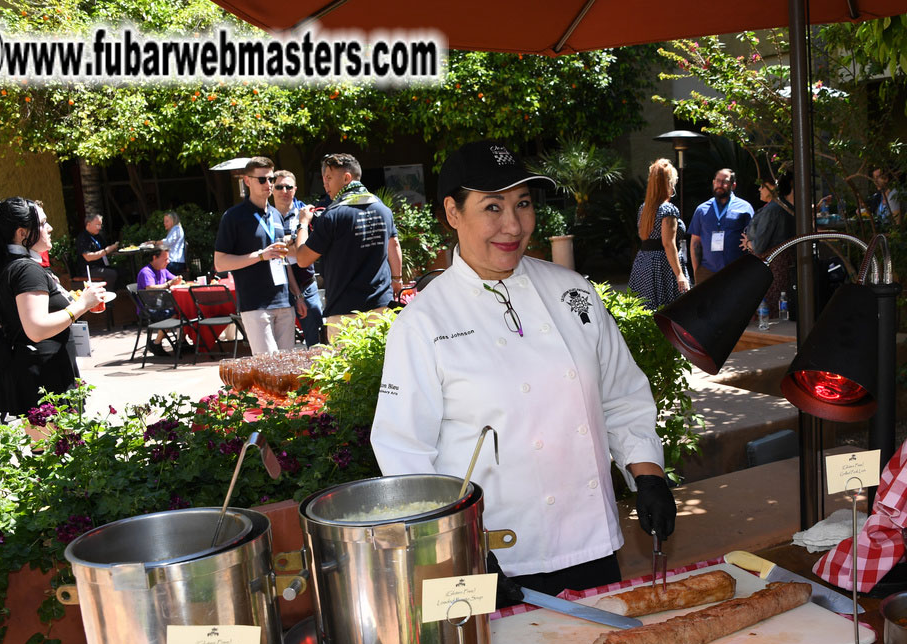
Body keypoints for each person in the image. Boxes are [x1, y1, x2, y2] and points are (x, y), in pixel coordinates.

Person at [370, 140, 677, 596]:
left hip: (590, 543)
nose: (512, 225)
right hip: (489, 557)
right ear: (453, 213)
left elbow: (622, 396)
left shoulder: (573, 293)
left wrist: (648, 473)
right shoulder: (423, 323)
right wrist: (456, 547)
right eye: (492, 207)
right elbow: (405, 453)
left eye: (523, 204)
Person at [0, 197, 106, 415]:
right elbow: (36, 328)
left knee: (55, 447)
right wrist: (82, 305)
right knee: (58, 448)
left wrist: (81, 303)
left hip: (38, 372)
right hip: (43, 378)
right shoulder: (26, 270)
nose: (50, 228)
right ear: (22, 233)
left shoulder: (12, 266)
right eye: (43, 223)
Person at [293, 154, 402, 327]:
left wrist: (303, 223)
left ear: (346, 178)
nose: (325, 183)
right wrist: (397, 279)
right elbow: (394, 245)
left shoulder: (332, 215)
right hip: (381, 306)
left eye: (329, 177)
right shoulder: (383, 209)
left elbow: (302, 259)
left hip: (344, 313)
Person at [213, 157, 307, 355]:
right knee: (268, 369)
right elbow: (220, 264)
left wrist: (297, 295)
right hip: (256, 304)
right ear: (247, 181)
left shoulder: (275, 214)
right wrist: (260, 255)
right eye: (262, 180)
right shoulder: (233, 217)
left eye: (271, 179)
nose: (269, 185)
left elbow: (282, 260)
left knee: (286, 369)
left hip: (284, 301)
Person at [272, 170, 325, 346]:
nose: (284, 191)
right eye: (279, 187)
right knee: (280, 342)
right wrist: (293, 244)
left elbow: (307, 250)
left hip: (306, 282)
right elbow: (267, 250)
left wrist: (280, 247)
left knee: (316, 336)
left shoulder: (306, 213)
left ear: (295, 189)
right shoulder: (266, 215)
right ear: (272, 188)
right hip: (278, 286)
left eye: (288, 187)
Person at [627, 158, 688, 311]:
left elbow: (644, 236)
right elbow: (668, 244)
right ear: (668, 183)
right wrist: (679, 274)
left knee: (645, 310)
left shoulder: (644, 208)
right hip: (663, 266)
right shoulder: (668, 210)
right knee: (670, 312)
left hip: (643, 263)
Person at [687, 168, 754, 285]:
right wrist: (697, 271)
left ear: (733, 185)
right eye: (718, 181)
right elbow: (695, 242)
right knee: (708, 304)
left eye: (725, 182)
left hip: (736, 271)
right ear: (713, 183)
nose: (720, 185)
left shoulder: (745, 208)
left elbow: (753, 239)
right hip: (707, 272)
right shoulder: (702, 210)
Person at [745, 173, 797, 311]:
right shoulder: (784, 206)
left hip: (773, 266)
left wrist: (749, 244)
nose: (759, 190)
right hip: (781, 264)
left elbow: (760, 246)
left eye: (763, 186)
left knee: (772, 307)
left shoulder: (773, 209)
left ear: (773, 188)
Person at [136, 246, 183, 357]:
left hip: (161, 305)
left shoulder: (163, 270)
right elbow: (150, 290)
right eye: (165, 259)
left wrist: (178, 280)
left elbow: (175, 280)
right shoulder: (146, 272)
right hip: (149, 308)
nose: (168, 261)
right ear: (154, 258)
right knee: (176, 313)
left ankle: (182, 343)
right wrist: (169, 284)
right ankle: (156, 344)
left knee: (184, 310)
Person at [75, 213, 120, 292]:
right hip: (89, 269)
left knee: (121, 270)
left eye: (100, 225)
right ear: (89, 224)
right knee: (111, 274)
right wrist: (106, 251)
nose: (100, 227)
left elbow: (105, 248)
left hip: (101, 266)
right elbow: (88, 257)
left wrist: (113, 248)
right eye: (97, 225)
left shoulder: (97, 236)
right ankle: (107, 300)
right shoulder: (83, 238)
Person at [160, 211, 187, 278]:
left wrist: (155, 243)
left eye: (167, 221)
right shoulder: (174, 230)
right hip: (174, 262)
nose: (164, 223)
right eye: (164, 221)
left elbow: (168, 242)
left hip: (175, 262)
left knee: (158, 267)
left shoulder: (176, 229)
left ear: (173, 221)